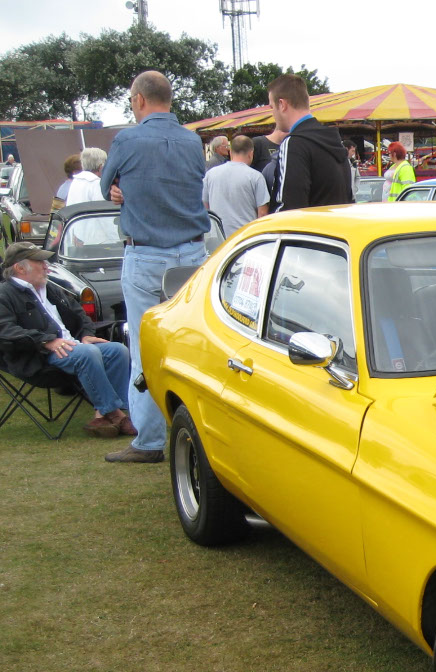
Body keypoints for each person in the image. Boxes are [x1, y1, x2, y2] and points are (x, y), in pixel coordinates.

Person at [98, 70, 210, 464]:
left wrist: (120, 190)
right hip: (192, 255)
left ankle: (148, 441)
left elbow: (105, 186)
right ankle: (195, 431)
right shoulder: (193, 141)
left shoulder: (128, 138)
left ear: (140, 100)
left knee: (144, 348)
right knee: (189, 345)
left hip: (146, 254)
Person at [0, 241, 134, 438]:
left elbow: (79, 313)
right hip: (38, 356)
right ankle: (118, 416)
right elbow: (5, 330)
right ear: (20, 268)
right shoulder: (5, 294)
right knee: (87, 353)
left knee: (117, 350)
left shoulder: (49, 288)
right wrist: (46, 341)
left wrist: (86, 334)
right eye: (39, 262)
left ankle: (104, 415)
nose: (46, 266)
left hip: (73, 346)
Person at [268, 74, 352, 210]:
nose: (273, 114)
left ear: (282, 105)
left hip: (308, 230)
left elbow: (288, 210)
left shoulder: (294, 144)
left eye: (272, 107)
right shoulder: (336, 143)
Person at [202, 135, 269, 234]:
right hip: (245, 237)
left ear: (231, 152)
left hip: (218, 237)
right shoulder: (256, 177)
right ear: (251, 153)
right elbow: (262, 213)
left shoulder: (210, 174)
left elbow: (205, 206)